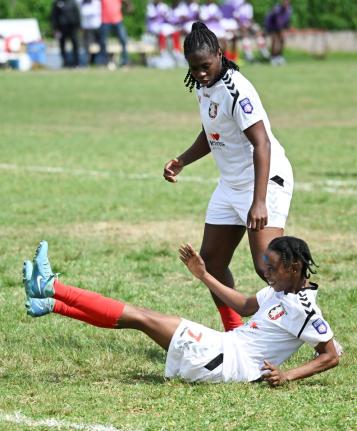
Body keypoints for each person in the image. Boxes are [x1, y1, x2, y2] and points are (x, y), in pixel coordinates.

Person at [23, 238, 340, 385]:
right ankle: (51, 299)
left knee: (140, 317)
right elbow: (243, 305)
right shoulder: (279, 289)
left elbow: (331, 355)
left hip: (227, 364)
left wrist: (288, 375)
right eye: (266, 264)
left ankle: (51, 288)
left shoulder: (305, 309)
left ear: (295, 267)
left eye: (272, 267)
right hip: (223, 348)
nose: (266, 271)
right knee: (139, 317)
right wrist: (203, 275)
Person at [163, 22, 294, 332]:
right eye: (194, 68)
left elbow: (261, 144)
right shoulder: (203, 87)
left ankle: (320, 336)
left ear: (220, 55)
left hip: (264, 181)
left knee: (269, 267)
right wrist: (182, 160)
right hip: (231, 184)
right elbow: (213, 132)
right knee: (211, 262)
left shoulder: (237, 90)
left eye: (206, 66)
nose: (200, 73)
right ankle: (235, 332)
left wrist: (258, 202)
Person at [99, 0, 130, 67]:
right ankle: (104, 61)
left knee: (123, 39)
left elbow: (126, 1)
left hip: (117, 20)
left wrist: (128, 6)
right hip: (105, 20)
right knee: (103, 41)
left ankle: (125, 61)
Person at [51, 0, 81, 67]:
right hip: (61, 28)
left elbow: (77, 14)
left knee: (75, 44)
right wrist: (55, 28)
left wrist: (78, 26)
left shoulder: (73, 2)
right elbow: (54, 16)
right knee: (62, 45)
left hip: (73, 28)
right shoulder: (57, 3)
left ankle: (76, 62)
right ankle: (65, 62)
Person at [264, 0, 292, 66]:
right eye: (285, 1)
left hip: (280, 26)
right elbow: (277, 21)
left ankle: (279, 57)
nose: (286, 2)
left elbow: (287, 20)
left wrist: (287, 28)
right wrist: (281, 30)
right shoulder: (277, 9)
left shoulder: (289, 9)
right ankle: (273, 58)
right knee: (275, 41)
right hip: (272, 26)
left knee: (282, 41)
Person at [77, 0, 102, 66]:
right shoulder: (80, 2)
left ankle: (100, 61)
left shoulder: (96, 2)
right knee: (86, 46)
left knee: (101, 44)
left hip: (97, 27)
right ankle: (85, 62)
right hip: (86, 28)